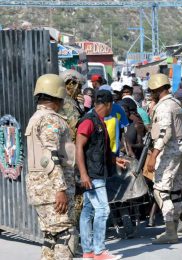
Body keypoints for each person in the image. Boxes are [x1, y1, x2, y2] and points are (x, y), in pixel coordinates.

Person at [25, 74, 76, 260]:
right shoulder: (50, 120)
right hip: (52, 191)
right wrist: (60, 189)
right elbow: (50, 156)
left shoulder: (36, 118)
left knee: (51, 236)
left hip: (40, 190)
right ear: (57, 96)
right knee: (66, 235)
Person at [76, 90, 125, 260]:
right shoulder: (89, 121)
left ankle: (88, 251)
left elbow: (100, 148)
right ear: (109, 104)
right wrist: (83, 174)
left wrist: (114, 159)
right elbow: (79, 147)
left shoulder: (100, 121)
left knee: (88, 211)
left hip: (96, 172)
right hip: (92, 174)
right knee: (103, 210)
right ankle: (99, 251)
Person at [146, 73, 182, 244]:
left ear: (157, 90)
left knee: (160, 190)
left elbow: (165, 132)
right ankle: (176, 226)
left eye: (152, 91)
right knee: (175, 191)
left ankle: (170, 231)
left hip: (168, 152)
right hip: (179, 151)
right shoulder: (175, 103)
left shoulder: (163, 107)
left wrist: (153, 156)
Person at [59, 69, 86, 141]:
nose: (80, 90)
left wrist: (81, 107)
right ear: (70, 85)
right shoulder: (67, 102)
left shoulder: (64, 100)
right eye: (79, 87)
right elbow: (78, 127)